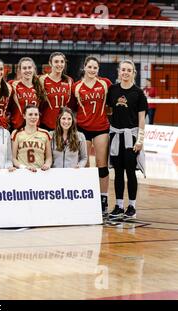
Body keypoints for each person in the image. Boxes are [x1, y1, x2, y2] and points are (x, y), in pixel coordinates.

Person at [107, 59, 147, 222]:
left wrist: (140, 140)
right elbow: (108, 110)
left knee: (130, 172)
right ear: (119, 71)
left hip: (131, 137)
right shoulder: (112, 90)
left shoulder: (138, 93)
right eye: (123, 69)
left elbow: (142, 119)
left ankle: (131, 206)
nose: (125, 72)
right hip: (116, 136)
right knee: (117, 172)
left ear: (133, 73)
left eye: (129, 70)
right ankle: (118, 206)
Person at [72, 56, 111, 215]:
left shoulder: (105, 83)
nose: (92, 70)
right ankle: (87, 198)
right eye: (90, 67)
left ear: (98, 69)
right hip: (82, 128)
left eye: (95, 67)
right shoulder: (76, 86)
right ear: (85, 68)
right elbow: (73, 108)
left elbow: (111, 104)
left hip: (101, 127)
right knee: (85, 165)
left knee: (102, 165)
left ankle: (103, 199)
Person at [39, 52, 73, 131]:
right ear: (50, 63)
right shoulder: (42, 79)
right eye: (56, 61)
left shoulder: (69, 80)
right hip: (45, 124)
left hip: (64, 124)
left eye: (62, 62)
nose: (59, 64)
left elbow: (71, 104)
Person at [12, 105, 52, 171]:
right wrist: (24, 167)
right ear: (24, 116)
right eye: (30, 114)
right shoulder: (16, 133)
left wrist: (47, 165)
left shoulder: (45, 134)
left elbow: (49, 158)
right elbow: (13, 158)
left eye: (36, 114)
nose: (33, 117)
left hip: (40, 172)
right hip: (22, 172)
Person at [9, 57, 43, 131]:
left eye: (29, 68)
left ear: (34, 69)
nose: (27, 70)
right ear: (20, 70)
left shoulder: (39, 86)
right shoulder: (13, 85)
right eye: (24, 68)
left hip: (34, 128)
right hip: (17, 128)